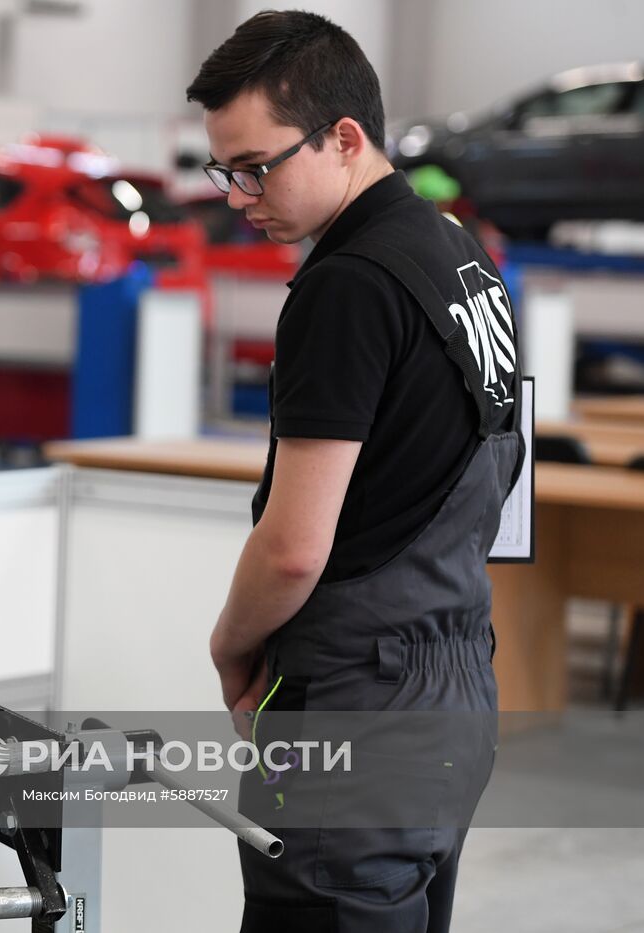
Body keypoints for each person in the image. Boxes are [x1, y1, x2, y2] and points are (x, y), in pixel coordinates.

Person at [187, 11, 523, 933]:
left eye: (256, 165)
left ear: (344, 138)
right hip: (456, 691)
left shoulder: (348, 286)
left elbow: (295, 548)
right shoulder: (463, 259)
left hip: (356, 705)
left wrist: (229, 646)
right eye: (225, 170)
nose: (236, 193)